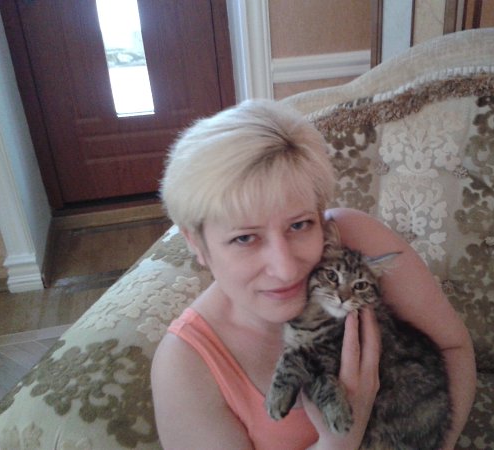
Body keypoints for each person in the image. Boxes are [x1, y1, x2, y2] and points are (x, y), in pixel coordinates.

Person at [151, 99, 476, 449]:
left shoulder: (357, 241)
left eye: (299, 225)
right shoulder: (183, 368)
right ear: (197, 244)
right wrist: (338, 442)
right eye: (244, 238)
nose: (286, 269)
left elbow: (453, 347)